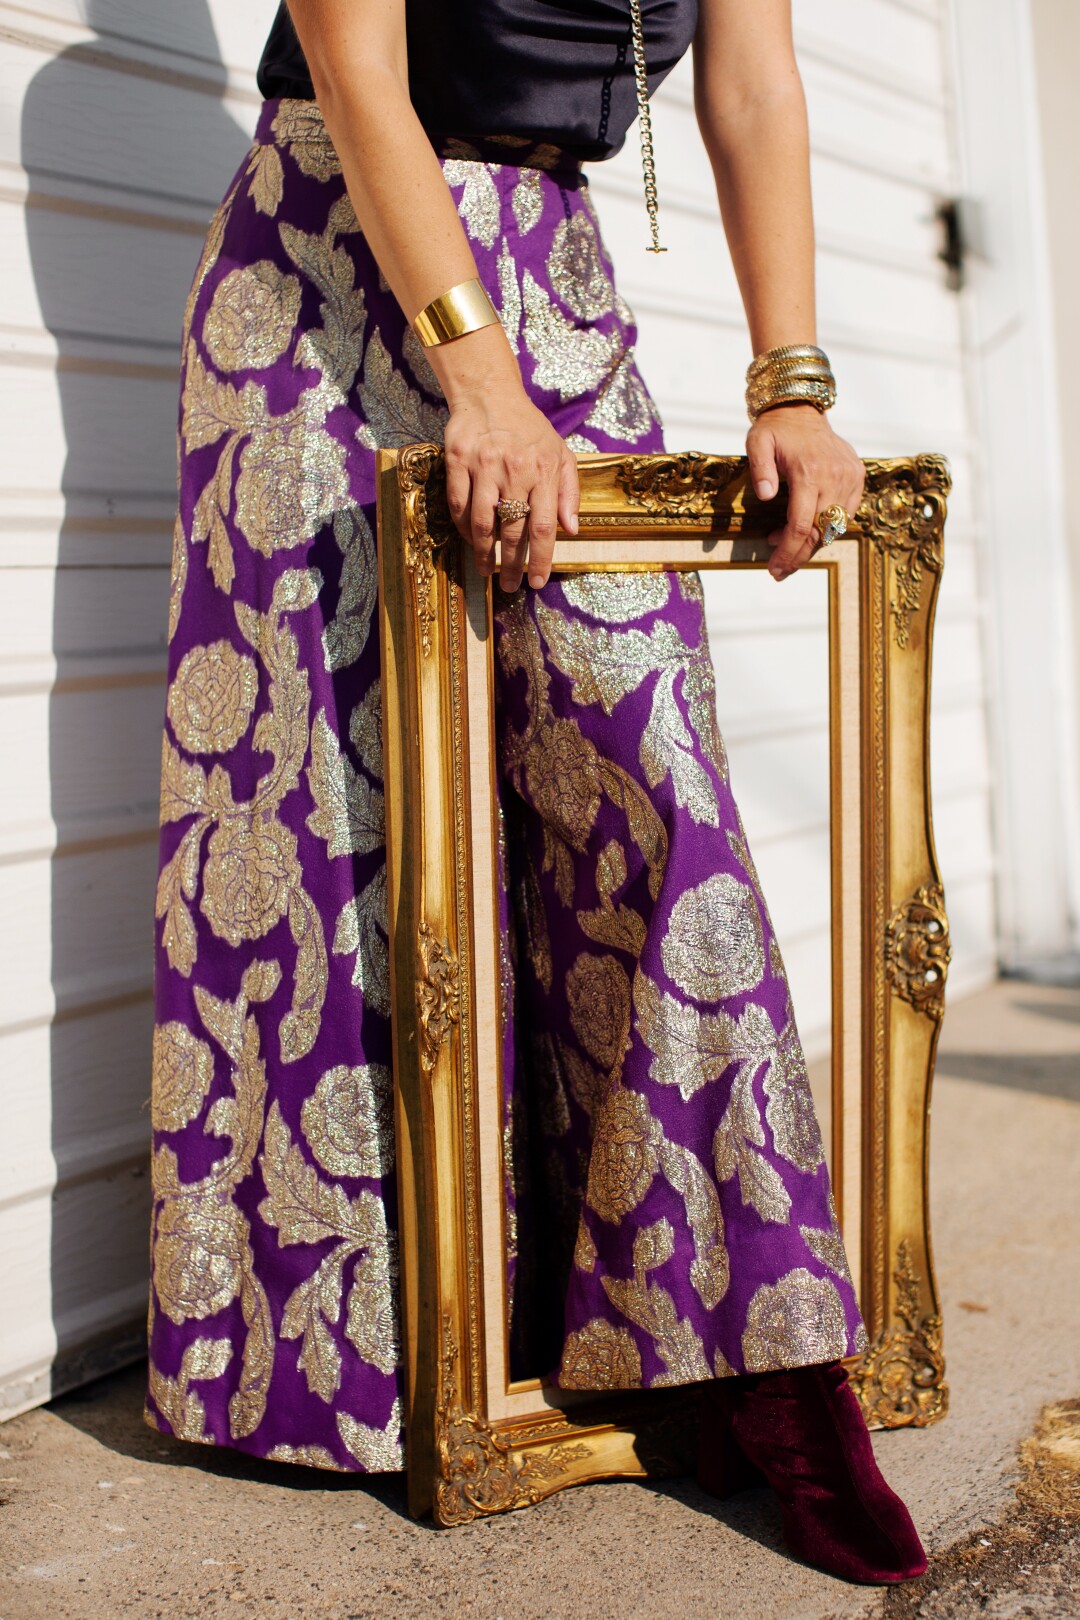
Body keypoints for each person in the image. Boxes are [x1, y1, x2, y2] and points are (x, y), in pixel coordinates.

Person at [145, 0, 927, 1585]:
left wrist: (792, 377)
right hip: (324, 258)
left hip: (546, 259)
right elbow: (357, 61)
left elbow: (755, 74)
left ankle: (753, 1351)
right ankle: (338, 1363)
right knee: (318, 828)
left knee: (646, 773)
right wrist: (476, 378)